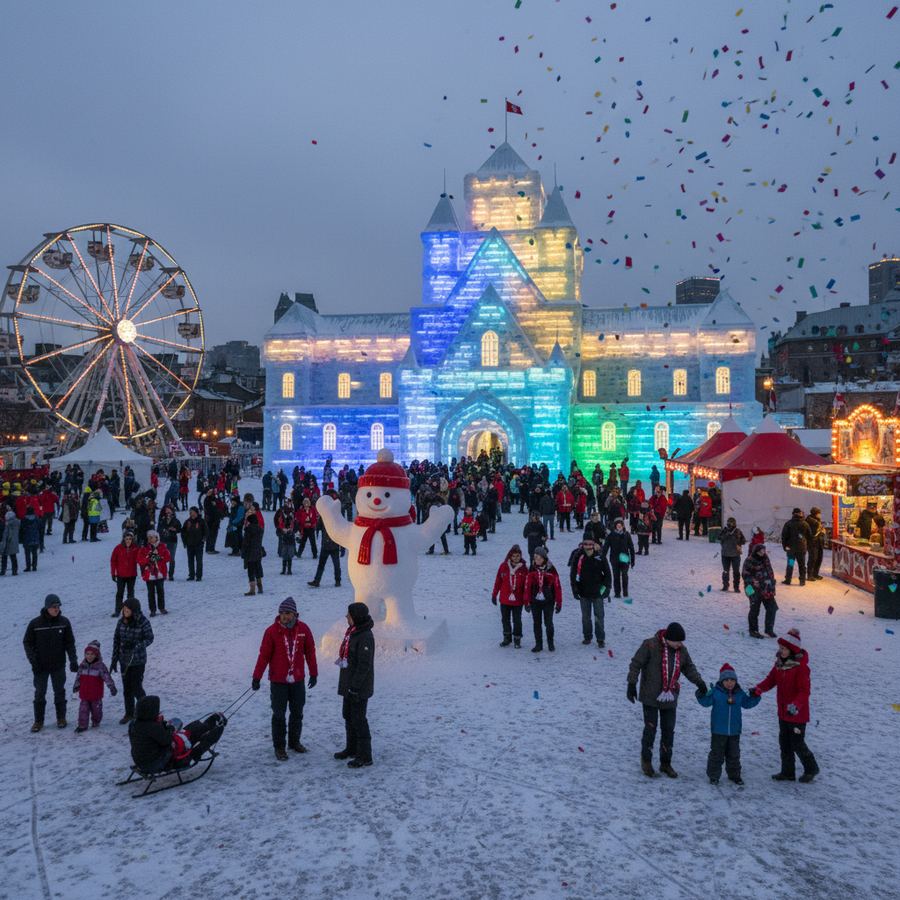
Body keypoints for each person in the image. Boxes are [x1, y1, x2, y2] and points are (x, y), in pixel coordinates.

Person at [626, 622, 706, 778]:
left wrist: (699, 682)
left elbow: (689, 668)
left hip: (670, 696)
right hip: (650, 696)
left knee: (668, 730)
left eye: (681, 642)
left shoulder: (681, 651)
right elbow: (636, 663)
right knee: (650, 728)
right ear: (668, 638)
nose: (680, 644)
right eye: (677, 641)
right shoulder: (650, 645)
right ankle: (647, 762)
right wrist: (631, 683)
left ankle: (665, 763)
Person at [251, 597, 318, 761]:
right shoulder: (271, 631)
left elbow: (310, 652)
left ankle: (294, 742)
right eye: (281, 613)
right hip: (278, 681)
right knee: (279, 715)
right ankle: (279, 746)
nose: (284, 617)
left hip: (297, 680)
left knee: (297, 713)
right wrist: (256, 677)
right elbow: (264, 656)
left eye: (287, 613)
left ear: (294, 614)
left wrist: (314, 673)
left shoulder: (303, 629)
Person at [751, 627, 820, 783]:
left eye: (783, 648)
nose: (780, 651)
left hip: (797, 714)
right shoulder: (780, 665)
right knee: (784, 743)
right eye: (780, 648)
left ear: (792, 650)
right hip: (783, 712)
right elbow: (771, 680)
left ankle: (811, 768)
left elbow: (804, 692)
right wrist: (758, 689)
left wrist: (795, 705)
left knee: (797, 743)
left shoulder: (801, 668)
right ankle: (787, 772)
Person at [695, 663, 761, 785]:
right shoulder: (715, 692)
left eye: (732, 680)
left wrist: (755, 696)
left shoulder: (739, 693)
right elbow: (705, 702)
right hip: (718, 731)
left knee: (734, 755)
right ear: (721, 681)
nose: (729, 683)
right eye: (726, 680)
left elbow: (747, 703)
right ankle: (714, 776)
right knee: (716, 755)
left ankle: (734, 775)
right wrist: (701, 693)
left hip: (734, 731)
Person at [129, 695, 226, 774]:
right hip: (155, 763)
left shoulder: (134, 724)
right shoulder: (152, 727)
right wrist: (169, 729)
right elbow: (167, 740)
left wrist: (162, 726)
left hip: (141, 760)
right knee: (188, 740)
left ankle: (210, 722)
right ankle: (215, 729)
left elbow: (153, 739)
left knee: (187, 734)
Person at [23, 594, 78, 731]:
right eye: (54, 607)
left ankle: (61, 718)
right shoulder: (35, 624)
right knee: (40, 692)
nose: (56, 609)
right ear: (47, 607)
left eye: (58, 606)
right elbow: (27, 643)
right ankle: (38, 722)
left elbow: (69, 643)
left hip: (58, 665)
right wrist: (34, 662)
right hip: (40, 667)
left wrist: (73, 660)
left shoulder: (64, 622)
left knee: (59, 691)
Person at [334, 602, 375, 768]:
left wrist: (355, 687)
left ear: (356, 617)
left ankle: (365, 755)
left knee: (358, 720)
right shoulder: (353, 632)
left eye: (349, 615)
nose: (346, 617)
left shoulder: (365, 636)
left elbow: (364, 665)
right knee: (348, 716)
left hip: (358, 688)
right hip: (349, 685)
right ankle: (351, 748)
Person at [111, 597, 154, 724]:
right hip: (124, 660)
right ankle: (129, 713)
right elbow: (116, 640)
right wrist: (114, 659)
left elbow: (150, 638)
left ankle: (146, 712)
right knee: (126, 688)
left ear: (134, 610)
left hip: (138, 661)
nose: (125, 611)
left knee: (136, 687)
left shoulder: (143, 622)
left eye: (127, 609)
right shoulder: (121, 622)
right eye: (124, 609)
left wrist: (136, 645)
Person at [570, 539, 611, 648]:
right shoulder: (578, 556)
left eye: (590, 544)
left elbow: (607, 574)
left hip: (597, 593)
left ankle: (600, 638)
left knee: (599, 617)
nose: (588, 546)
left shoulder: (600, 557)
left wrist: (606, 589)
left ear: (594, 545)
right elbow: (573, 574)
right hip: (584, 592)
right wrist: (574, 589)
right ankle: (587, 636)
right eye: (585, 544)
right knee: (586, 617)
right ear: (582, 544)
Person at [73, 640, 118, 733]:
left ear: (96, 655)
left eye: (92, 654)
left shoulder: (100, 666)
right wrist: (76, 685)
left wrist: (112, 687)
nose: (89, 656)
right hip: (84, 693)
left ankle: (96, 721)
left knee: (96, 711)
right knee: (83, 710)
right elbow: (78, 676)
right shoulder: (82, 666)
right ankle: (82, 725)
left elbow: (107, 677)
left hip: (96, 695)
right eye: (87, 654)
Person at [525, 546, 562, 653]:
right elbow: (527, 586)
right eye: (535, 557)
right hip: (535, 601)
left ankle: (550, 643)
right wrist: (526, 602)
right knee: (536, 623)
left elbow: (557, 587)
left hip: (548, 601)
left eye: (539, 557)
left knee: (548, 623)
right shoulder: (531, 569)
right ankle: (538, 644)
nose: (537, 560)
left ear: (544, 558)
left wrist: (559, 602)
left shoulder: (551, 569)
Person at [491, 544, 528, 648]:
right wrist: (494, 594)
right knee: (505, 619)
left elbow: (526, 587)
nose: (516, 558)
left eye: (518, 556)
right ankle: (507, 637)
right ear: (510, 556)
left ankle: (517, 639)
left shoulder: (524, 569)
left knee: (517, 620)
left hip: (518, 600)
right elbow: (498, 581)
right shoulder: (503, 567)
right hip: (505, 599)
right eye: (514, 556)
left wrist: (526, 601)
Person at [741, 542, 778, 638]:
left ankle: (769, 630)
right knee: (754, 609)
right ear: (756, 551)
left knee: (772, 608)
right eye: (761, 551)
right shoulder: (749, 560)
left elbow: (770, 572)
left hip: (766, 587)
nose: (763, 552)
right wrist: (753, 581)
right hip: (751, 588)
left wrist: (772, 585)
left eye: (764, 550)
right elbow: (745, 575)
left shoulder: (766, 559)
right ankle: (753, 631)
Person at [308, 496, 342, 587]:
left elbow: (341, 531)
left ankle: (319, 581)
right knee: (329, 565)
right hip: (329, 544)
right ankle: (319, 581)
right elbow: (318, 527)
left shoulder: (332, 517)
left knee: (330, 565)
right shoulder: (330, 517)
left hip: (331, 544)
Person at [138, 531, 170, 616]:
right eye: (149, 537)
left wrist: (158, 557)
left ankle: (162, 608)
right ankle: (152, 610)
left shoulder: (162, 546)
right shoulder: (144, 548)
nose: (151, 539)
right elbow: (140, 560)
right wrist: (148, 558)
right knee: (150, 592)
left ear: (157, 538)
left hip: (160, 573)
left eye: (152, 537)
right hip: (149, 574)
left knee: (160, 591)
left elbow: (167, 558)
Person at [603, 518, 635, 599]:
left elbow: (631, 547)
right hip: (614, 559)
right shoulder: (611, 535)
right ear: (615, 526)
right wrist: (603, 558)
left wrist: (632, 560)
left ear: (623, 526)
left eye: (620, 525)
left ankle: (625, 592)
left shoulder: (626, 534)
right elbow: (606, 547)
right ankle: (617, 593)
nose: (619, 527)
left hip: (624, 558)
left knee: (624, 575)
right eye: (618, 525)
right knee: (616, 576)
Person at [110, 531, 139, 616]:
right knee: (120, 593)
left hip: (132, 574)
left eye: (130, 539)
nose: (128, 541)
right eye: (126, 539)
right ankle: (118, 610)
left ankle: (131, 610)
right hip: (121, 575)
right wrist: (113, 573)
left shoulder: (135, 548)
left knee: (131, 593)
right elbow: (113, 561)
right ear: (123, 539)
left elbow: (140, 559)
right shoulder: (118, 548)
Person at [781, 508, 811, 586]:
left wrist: (785, 546)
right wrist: (806, 545)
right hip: (801, 549)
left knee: (790, 564)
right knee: (801, 565)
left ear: (793, 514)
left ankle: (788, 579)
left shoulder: (788, 523)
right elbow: (809, 536)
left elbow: (784, 536)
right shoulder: (805, 524)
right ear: (800, 514)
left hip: (791, 549)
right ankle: (802, 580)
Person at [718, 517, 746, 592]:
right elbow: (719, 538)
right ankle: (725, 586)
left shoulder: (738, 531)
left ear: (734, 523)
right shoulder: (724, 530)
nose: (729, 524)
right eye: (728, 522)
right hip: (725, 554)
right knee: (725, 571)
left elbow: (743, 541)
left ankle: (736, 587)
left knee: (736, 572)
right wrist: (726, 535)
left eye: (731, 522)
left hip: (735, 555)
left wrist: (737, 540)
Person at [242, 511, 265, 596]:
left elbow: (246, 542)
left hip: (250, 553)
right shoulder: (260, 529)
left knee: (251, 571)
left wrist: (243, 552)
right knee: (258, 569)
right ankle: (260, 587)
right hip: (258, 552)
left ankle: (252, 590)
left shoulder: (248, 530)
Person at [181, 507, 207, 581]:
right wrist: (184, 542)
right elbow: (183, 532)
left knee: (199, 561)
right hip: (190, 544)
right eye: (190, 512)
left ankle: (199, 576)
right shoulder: (187, 521)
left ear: (196, 512)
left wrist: (203, 540)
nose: (191, 513)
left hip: (199, 544)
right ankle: (191, 575)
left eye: (192, 512)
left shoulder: (201, 521)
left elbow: (206, 531)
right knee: (190, 561)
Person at [157, 505, 181, 581]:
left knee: (171, 558)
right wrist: (163, 530)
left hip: (172, 541)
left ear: (172, 511)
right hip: (163, 541)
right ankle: (163, 573)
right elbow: (158, 529)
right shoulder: (162, 519)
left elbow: (180, 529)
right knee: (162, 558)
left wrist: (175, 529)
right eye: (166, 510)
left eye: (169, 510)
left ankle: (171, 574)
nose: (167, 512)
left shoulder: (175, 520)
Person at [805, 507, 826, 581]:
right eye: (819, 513)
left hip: (819, 542)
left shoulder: (817, 521)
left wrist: (822, 533)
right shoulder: (810, 521)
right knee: (813, 558)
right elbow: (810, 533)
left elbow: (820, 531)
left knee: (819, 558)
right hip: (812, 543)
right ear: (815, 514)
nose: (820, 515)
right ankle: (810, 575)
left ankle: (815, 573)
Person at [21, 506, 42, 572]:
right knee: (34, 553)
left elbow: (21, 529)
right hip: (35, 537)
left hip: (27, 538)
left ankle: (28, 567)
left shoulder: (24, 519)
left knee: (27, 554)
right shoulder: (37, 518)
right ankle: (34, 566)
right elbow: (40, 527)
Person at [0, 509, 20, 576]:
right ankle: (15, 570)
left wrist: (3, 545)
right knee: (13, 557)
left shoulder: (8, 525)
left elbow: (6, 535)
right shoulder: (17, 523)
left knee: (4, 557)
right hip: (15, 543)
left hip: (8, 543)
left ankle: (3, 570)